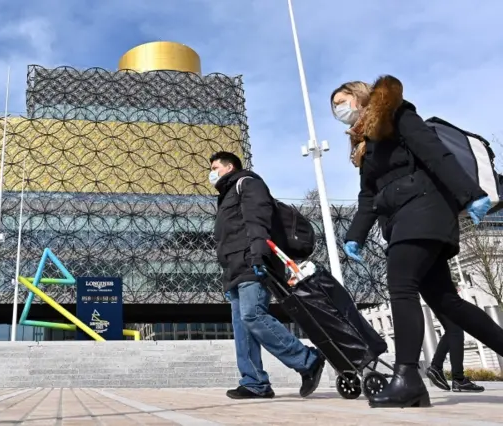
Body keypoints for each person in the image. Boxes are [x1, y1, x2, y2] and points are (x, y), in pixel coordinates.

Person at [330, 75, 503, 408]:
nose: (337, 110)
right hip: (402, 219)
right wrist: (355, 236)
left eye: (341, 101)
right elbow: (369, 197)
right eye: (334, 107)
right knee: (447, 302)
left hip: (424, 209)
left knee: (402, 286)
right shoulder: (366, 145)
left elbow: (434, 153)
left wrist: (470, 195)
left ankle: (407, 378)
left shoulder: (396, 114)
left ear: (361, 97)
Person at [209, 151, 325, 399]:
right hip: (234, 267)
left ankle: (307, 360)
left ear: (229, 167)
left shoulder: (247, 183)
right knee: (242, 325)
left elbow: (257, 219)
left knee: (253, 315)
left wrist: (258, 254)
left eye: (215, 167)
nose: (212, 172)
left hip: (252, 260)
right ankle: (254, 383)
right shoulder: (227, 195)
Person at [427, 306, 485, 392]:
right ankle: (458, 379)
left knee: (452, 329)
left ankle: (436, 367)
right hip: (439, 295)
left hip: (432, 295)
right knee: (455, 331)